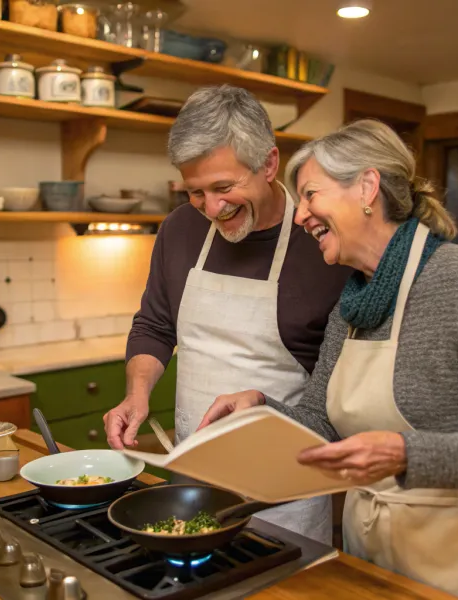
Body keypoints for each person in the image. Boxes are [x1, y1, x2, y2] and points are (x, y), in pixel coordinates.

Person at [196, 119, 458, 600]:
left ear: (367, 187)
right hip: (369, 552)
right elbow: (322, 421)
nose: (301, 214)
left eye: (310, 195)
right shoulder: (353, 302)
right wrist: (261, 408)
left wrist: (405, 454)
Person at [103, 85, 352, 545]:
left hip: (284, 490)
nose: (212, 209)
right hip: (191, 474)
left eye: (224, 187)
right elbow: (155, 324)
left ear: (270, 163)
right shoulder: (180, 228)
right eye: (195, 191)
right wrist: (137, 395)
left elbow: (339, 390)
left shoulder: (321, 243)